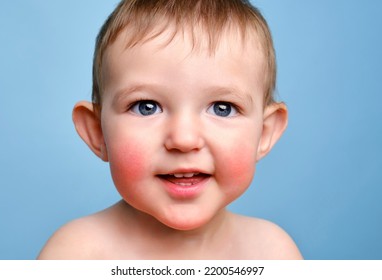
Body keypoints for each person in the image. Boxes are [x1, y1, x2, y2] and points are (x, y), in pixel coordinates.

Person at [38, 0, 302, 259]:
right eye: (146, 107)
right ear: (97, 132)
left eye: (222, 108)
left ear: (264, 133)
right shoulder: (76, 256)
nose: (184, 139)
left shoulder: (271, 254)